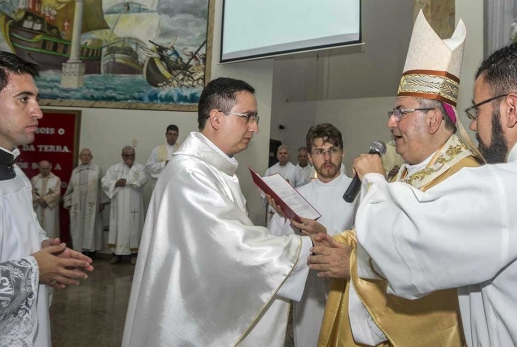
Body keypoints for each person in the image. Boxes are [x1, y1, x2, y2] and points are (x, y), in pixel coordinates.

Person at [341, 42, 517, 346]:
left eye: (478, 110)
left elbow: (403, 247)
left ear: (511, 109)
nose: (472, 124)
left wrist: (373, 180)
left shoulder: (511, 186)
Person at [311, 11, 480, 347]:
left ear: (433, 120)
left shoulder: (465, 178)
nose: (390, 122)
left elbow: (432, 269)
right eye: (393, 112)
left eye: (401, 112)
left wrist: (353, 266)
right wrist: (340, 242)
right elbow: (381, 232)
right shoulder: (406, 169)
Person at [122, 77, 320, 347]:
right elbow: (234, 248)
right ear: (216, 118)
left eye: (256, 118)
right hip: (186, 322)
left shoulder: (214, 169)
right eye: (247, 117)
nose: (255, 127)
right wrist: (306, 248)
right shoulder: (189, 174)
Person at [0, 50, 92, 346]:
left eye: (35, 98)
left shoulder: (16, 173)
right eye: (24, 99)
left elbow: (5, 246)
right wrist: (35, 269)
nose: (38, 111)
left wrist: (46, 253)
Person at [268, 124, 357, 347]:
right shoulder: (300, 196)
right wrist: (282, 215)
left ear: (343, 152)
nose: (327, 158)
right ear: (309, 156)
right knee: (309, 338)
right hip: (308, 287)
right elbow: (278, 242)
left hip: (345, 286)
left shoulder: (359, 191)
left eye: (332, 150)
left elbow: (365, 241)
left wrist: (324, 234)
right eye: (319, 151)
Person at [102, 146, 147, 265]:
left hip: (134, 206)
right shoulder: (114, 169)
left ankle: (134, 254)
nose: (129, 158)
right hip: (119, 206)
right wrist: (115, 183)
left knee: (134, 227)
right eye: (126, 155)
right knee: (118, 228)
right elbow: (105, 182)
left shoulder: (140, 168)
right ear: (122, 156)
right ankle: (117, 255)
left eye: (132, 155)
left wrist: (131, 169)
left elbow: (142, 180)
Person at [64, 148, 109, 257]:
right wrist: (69, 202)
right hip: (78, 204)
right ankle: (80, 251)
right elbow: (70, 188)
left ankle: (92, 251)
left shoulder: (97, 169)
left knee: (92, 226)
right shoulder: (75, 171)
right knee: (78, 226)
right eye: (83, 155)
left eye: (88, 155)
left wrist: (102, 202)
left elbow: (102, 186)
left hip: (92, 204)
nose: (86, 157)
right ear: (80, 157)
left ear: (91, 157)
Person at [31, 160, 61, 239]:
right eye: (43, 169)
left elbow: (57, 193)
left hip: (50, 208)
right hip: (38, 207)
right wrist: (38, 199)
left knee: (50, 227)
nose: (45, 170)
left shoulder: (56, 179)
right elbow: (31, 192)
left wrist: (45, 200)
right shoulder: (34, 179)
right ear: (39, 168)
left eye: (47, 168)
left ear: (50, 167)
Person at [145, 125, 180, 191]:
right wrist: (163, 164)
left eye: (175, 134)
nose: (172, 136)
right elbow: (148, 167)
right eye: (170, 134)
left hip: (176, 186)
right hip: (160, 186)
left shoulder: (181, 151)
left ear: (177, 136)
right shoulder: (157, 150)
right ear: (166, 135)